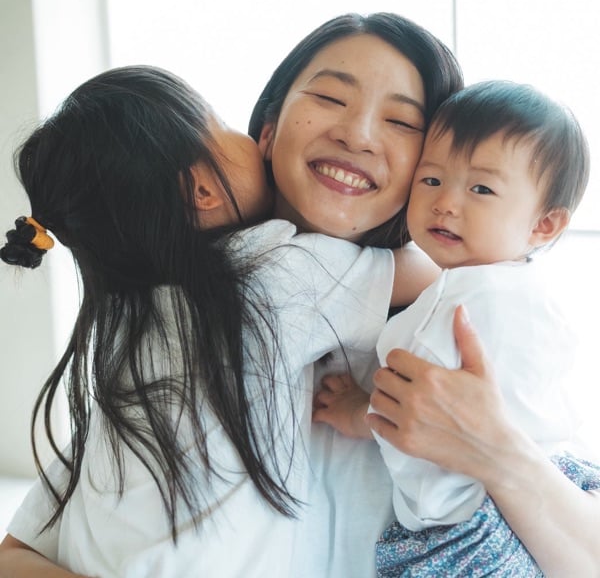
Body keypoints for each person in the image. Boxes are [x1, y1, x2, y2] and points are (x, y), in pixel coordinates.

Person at [0, 64, 437, 578]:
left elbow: (14, 554)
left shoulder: (125, 323)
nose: (253, 139)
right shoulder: (273, 272)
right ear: (201, 191)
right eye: (222, 123)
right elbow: (431, 274)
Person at [248, 14, 600, 576]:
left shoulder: (474, 305)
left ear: (544, 225)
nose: (358, 135)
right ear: (267, 129)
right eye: (331, 98)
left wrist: (501, 453)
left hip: (478, 530)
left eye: (400, 120)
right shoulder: (216, 287)